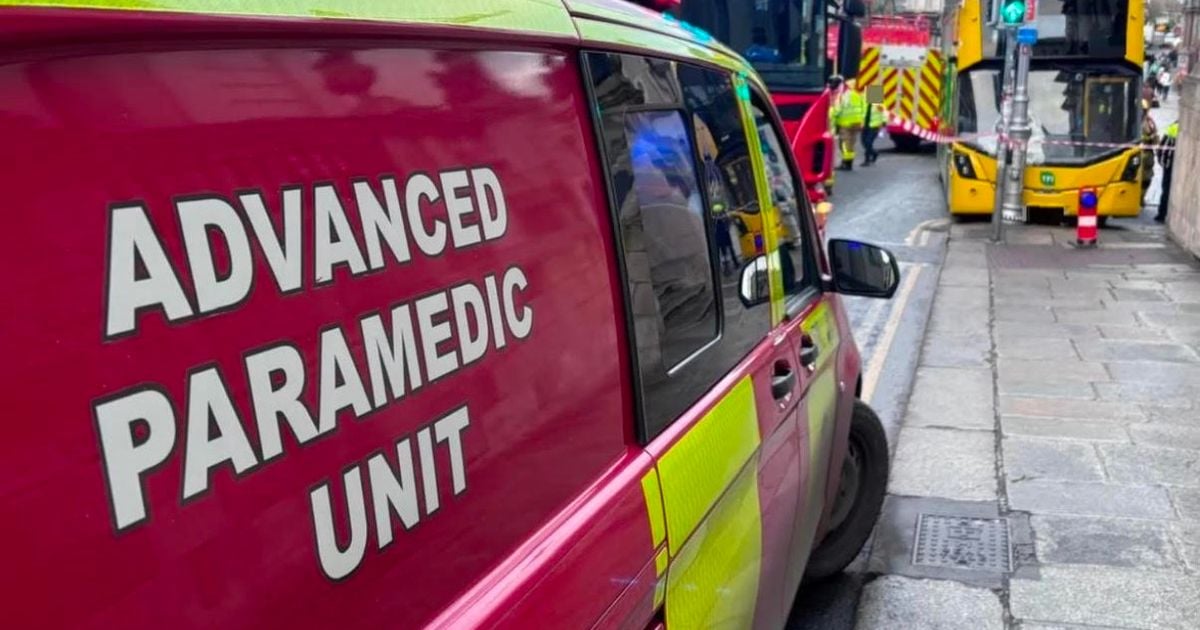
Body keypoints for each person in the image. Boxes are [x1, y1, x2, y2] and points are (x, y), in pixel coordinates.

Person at [830, 76, 866, 171]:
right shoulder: (858, 93)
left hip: (845, 122)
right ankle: (849, 162)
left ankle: (846, 163)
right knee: (851, 143)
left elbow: (837, 110)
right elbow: (866, 105)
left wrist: (830, 115)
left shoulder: (843, 95)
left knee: (844, 144)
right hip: (857, 121)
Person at [1155, 119, 1178, 223]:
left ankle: (1162, 213)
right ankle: (1163, 213)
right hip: (1171, 164)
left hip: (1169, 164)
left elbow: (1162, 146)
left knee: (1166, 189)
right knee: (1167, 189)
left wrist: (1161, 161)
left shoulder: (1173, 126)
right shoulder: (1175, 128)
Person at [1139, 100, 1158, 206]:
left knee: (1146, 179)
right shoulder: (1127, 119)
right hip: (1134, 153)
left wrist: (1150, 137)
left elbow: (1155, 139)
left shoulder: (1149, 122)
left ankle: (1141, 197)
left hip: (1146, 154)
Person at [860, 100, 887, 165]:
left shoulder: (878, 103)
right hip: (865, 126)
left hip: (874, 126)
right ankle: (874, 153)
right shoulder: (864, 102)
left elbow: (884, 113)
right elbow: (862, 112)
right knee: (863, 142)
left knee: (868, 142)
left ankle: (867, 160)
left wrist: (884, 122)